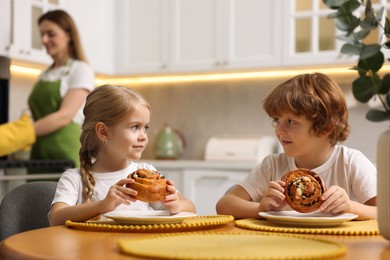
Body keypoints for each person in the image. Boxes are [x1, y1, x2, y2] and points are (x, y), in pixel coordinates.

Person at [216, 73, 377, 221]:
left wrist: (350, 207)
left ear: (326, 127)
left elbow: (384, 213)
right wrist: (260, 208)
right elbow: (225, 204)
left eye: (291, 122)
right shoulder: (273, 165)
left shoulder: (350, 163)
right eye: (277, 120)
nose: (279, 130)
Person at [49, 85, 196, 226]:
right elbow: (55, 218)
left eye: (145, 128)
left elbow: (191, 207)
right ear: (103, 132)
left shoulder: (147, 174)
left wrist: (176, 205)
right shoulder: (75, 178)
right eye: (134, 127)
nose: (143, 136)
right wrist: (102, 206)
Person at [28, 9, 95, 169]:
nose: (44, 39)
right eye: (42, 34)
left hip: (65, 155)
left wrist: (22, 134)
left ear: (69, 35)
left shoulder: (81, 69)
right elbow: (33, 112)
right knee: (34, 193)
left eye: (51, 34)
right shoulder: (44, 74)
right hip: (38, 154)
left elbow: (64, 116)